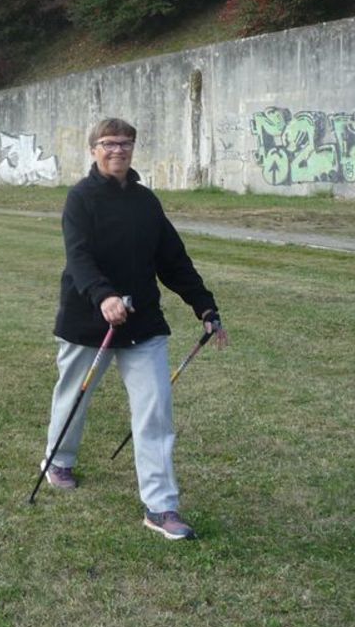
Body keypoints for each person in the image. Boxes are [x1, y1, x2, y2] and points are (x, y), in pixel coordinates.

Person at [40, 118, 228, 540]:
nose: (118, 150)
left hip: (142, 322)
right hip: (88, 320)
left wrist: (204, 305)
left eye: (125, 143)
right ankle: (59, 460)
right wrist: (104, 296)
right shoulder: (81, 198)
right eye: (109, 143)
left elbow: (173, 260)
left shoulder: (146, 202)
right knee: (74, 397)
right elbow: (78, 257)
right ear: (93, 149)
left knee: (155, 411)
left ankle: (161, 508)